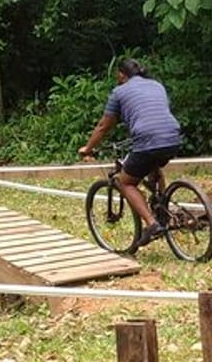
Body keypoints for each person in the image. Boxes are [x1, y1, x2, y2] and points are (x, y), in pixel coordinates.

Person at [78, 58, 183, 246]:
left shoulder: (119, 92)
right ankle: (161, 206)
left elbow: (104, 126)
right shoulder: (157, 85)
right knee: (153, 163)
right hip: (173, 136)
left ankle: (152, 224)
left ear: (121, 75)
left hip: (147, 139)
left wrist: (88, 148)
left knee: (125, 182)